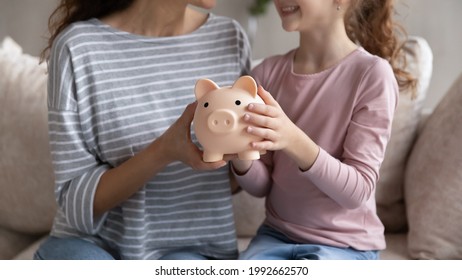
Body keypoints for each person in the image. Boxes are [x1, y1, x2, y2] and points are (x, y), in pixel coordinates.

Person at [34, 0, 251, 260]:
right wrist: (164, 151)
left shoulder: (230, 38)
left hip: (191, 251)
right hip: (92, 246)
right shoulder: (76, 48)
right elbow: (74, 205)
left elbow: (234, 179)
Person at [231, 0, 416, 260]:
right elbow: (262, 186)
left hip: (344, 244)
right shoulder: (266, 75)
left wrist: (292, 139)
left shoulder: (371, 75)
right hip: (275, 235)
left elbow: (358, 191)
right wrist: (240, 154)